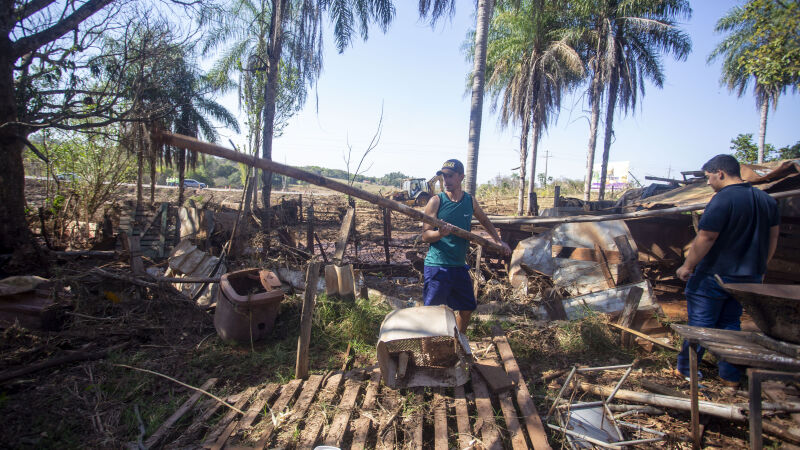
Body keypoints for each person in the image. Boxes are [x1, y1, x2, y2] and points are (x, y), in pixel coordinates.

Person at [676, 154, 780, 386]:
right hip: (748, 277)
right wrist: (761, 267)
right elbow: (773, 238)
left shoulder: (722, 200)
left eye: (708, 177)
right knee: (731, 324)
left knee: (701, 325)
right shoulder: (766, 200)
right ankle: (730, 377)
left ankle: (687, 371)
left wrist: (687, 265)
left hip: (714, 274)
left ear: (719, 173)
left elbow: (707, 236)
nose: (708, 182)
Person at [421, 159, 511, 333]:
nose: (445, 180)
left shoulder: (469, 201)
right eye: (443, 176)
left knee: (467, 307)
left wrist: (498, 240)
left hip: (459, 266)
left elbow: (484, 220)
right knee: (432, 312)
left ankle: (459, 341)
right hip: (438, 267)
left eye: (450, 176)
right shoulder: (436, 201)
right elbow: (425, 236)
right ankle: (429, 349)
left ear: (461, 177)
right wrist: (440, 233)